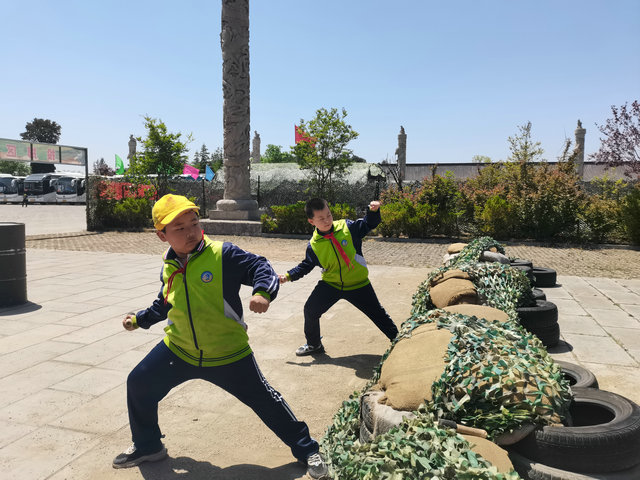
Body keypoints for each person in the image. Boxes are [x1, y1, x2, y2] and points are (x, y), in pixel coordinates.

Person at [112, 194, 327, 479]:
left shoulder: (223, 254)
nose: (190, 232)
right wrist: (139, 320)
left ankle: (307, 449)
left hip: (228, 353)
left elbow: (259, 266)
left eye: (194, 223)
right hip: (179, 349)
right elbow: (165, 303)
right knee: (139, 383)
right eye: (179, 228)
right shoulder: (170, 265)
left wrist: (262, 292)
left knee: (266, 400)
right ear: (162, 235)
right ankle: (148, 445)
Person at [279, 198, 399, 356]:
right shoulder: (314, 245)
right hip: (331, 285)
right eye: (321, 218)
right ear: (311, 221)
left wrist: (373, 211)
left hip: (358, 283)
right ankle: (314, 345)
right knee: (310, 310)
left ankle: (399, 340)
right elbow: (306, 266)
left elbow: (368, 224)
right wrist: (288, 276)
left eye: (328, 215)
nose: (327, 220)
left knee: (378, 314)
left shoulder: (347, 227)